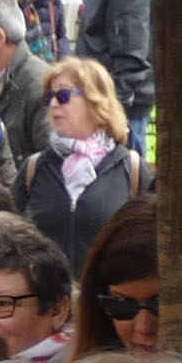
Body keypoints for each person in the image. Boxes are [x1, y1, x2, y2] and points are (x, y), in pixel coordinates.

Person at [21, 57, 144, 273]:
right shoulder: (35, 167)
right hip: (48, 291)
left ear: (94, 100)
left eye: (63, 95)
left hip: (107, 291)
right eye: (49, 97)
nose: (54, 104)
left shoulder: (132, 169)